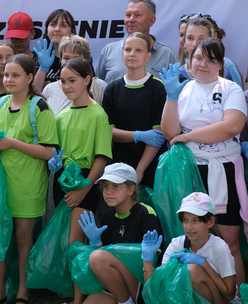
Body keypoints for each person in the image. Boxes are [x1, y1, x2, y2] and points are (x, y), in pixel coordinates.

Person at [161, 37, 246, 289]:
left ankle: (236, 296)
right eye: (198, 58)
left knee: (229, 239)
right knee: (192, 236)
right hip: (189, 170)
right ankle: (196, 292)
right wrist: (170, 98)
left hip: (222, 169)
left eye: (211, 60)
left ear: (221, 64)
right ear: (189, 61)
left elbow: (231, 127)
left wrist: (188, 136)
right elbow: (169, 132)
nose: (203, 64)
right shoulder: (183, 89)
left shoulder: (231, 88)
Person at [0, 54, 58, 304]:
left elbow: (50, 151)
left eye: (15, 75)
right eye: (6, 74)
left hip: (27, 186)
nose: (9, 79)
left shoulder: (39, 106)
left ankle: (23, 293)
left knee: (23, 239)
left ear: (29, 78)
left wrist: (12, 143)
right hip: (0, 184)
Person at [47, 57, 111, 304]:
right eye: (62, 81)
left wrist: (85, 189)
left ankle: (77, 300)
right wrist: (55, 164)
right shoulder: (62, 116)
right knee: (67, 239)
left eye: (71, 80)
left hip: (87, 182)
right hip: (63, 181)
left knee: (76, 243)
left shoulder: (98, 114)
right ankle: (71, 293)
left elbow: (102, 157)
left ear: (87, 80)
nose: (66, 86)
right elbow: (58, 154)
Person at [77, 163, 165, 304]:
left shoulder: (145, 213)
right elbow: (105, 261)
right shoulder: (107, 217)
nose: (109, 192)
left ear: (131, 190)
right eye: (105, 186)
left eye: (116, 186)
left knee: (97, 257)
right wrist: (96, 242)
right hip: (118, 287)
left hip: (145, 285)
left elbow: (154, 260)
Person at [143, 192, 237, 304]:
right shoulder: (176, 244)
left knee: (191, 271)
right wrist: (147, 260)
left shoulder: (219, 247)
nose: (188, 227)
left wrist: (204, 264)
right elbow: (154, 289)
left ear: (210, 222)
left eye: (195, 220)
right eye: (185, 220)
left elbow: (229, 294)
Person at [101, 32, 167, 188]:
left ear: (148, 56)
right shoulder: (111, 89)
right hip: (119, 167)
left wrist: (139, 170)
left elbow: (157, 136)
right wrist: (138, 135)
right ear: (122, 53)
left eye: (139, 50)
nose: (132, 54)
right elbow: (108, 132)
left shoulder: (158, 88)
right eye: (128, 49)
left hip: (150, 167)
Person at [96, 0, 177, 84]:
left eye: (137, 15)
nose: (131, 19)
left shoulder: (167, 55)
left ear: (152, 20)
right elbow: (97, 88)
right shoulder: (109, 50)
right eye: (128, 15)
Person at [42, 35, 107, 116]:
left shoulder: (99, 86)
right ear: (61, 60)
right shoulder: (49, 89)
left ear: (86, 61)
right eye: (66, 58)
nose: (71, 63)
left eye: (76, 58)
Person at [179, 15, 244, 90]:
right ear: (184, 41)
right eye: (190, 38)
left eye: (201, 39)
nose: (195, 44)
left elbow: (238, 95)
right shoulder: (174, 74)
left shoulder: (227, 67)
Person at [33, 9, 76, 91]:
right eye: (53, 24)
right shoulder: (36, 62)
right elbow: (32, 95)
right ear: (47, 30)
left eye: (63, 25)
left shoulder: (80, 60)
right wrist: (42, 69)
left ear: (72, 31)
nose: (57, 29)